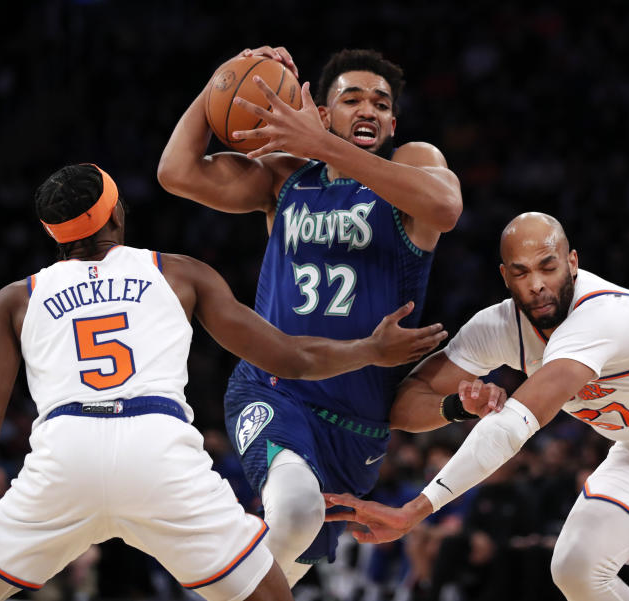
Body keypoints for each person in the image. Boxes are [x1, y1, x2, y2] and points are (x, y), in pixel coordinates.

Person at [0, 163, 447, 601]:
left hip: (64, 455)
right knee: (269, 594)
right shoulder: (178, 273)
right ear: (117, 213)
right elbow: (291, 356)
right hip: (158, 452)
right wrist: (370, 351)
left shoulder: (16, 298)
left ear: (52, 233)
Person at [325, 212, 629, 600]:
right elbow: (405, 401)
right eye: (522, 272)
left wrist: (417, 509)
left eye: (548, 266)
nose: (538, 285)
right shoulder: (499, 327)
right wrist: (457, 407)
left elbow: (514, 427)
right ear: (505, 276)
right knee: (576, 567)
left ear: (572, 262)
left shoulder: (602, 317)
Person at [158, 45, 462, 583]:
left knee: (290, 557)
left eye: (380, 102)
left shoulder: (413, 164)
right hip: (275, 388)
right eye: (351, 99)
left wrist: (325, 146)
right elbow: (176, 172)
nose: (368, 109)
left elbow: (445, 208)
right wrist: (221, 83)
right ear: (320, 112)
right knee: (296, 512)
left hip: (358, 420)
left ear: (394, 122)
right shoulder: (285, 178)